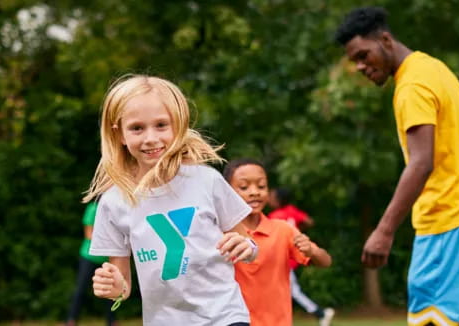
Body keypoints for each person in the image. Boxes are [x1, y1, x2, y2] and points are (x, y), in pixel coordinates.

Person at [335, 7, 459, 326]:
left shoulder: (412, 87)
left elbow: (421, 163)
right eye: (356, 61)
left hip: (447, 215)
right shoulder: (432, 67)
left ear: (386, 40)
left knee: (430, 319)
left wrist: (384, 230)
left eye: (364, 55)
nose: (362, 66)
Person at [82, 74, 259, 326]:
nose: (150, 138)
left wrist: (247, 247)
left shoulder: (206, 181)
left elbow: (249, 244)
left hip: (224, 315)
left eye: (161, 125)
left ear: (177, 125)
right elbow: (122, 289)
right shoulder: (114, 202)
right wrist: (114, 287)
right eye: (137, 128)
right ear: (119, 134)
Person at [223, 158, 332, 326]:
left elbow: (325, 261)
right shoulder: (220, 233)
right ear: (226, 192)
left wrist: (312, 250)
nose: (254, 192)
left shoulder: (282, 230)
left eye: (261, 186)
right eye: (244, 187)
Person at [268, 187, 335, 325]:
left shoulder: (274, 217)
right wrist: (298, 230)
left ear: (279, 199)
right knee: (289, 290)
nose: (269, 198)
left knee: (293, 291)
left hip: (283, 258)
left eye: (272, 196)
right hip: (294, 255)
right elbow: (310, 221)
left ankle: (320, 313)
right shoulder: (292, 211)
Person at [65, 201, 116, 326]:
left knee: (110, 291)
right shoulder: (93, 209)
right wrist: (111, 238)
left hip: (106, 259)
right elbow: (89, 234)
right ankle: (71, 320)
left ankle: (111, 322)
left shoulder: (114, 209)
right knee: (80, 289)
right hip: (88, 257)